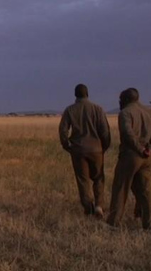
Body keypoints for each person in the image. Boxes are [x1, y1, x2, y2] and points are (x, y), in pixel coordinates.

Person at [107, 88, 151, 229]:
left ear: (126, 99)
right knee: (146, 191)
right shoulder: (149, 112)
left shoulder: (125, 113)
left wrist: (140, 148)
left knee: (120, 188)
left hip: (131, 155)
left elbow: (127, 133)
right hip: (147, 157)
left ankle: (113, 223)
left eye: (121, 99)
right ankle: (149, 225)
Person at [58, 83, 111, 217]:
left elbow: (63, 130)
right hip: (96, 149)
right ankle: (99, 205)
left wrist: (67, 145)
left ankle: (88, 207)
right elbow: (105, 131)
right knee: (99, 178)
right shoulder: (97, 109)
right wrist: (104, 146)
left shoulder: (70, 110)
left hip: (78, 150)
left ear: (75, 95)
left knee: (83, 180)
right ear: (87, 94)